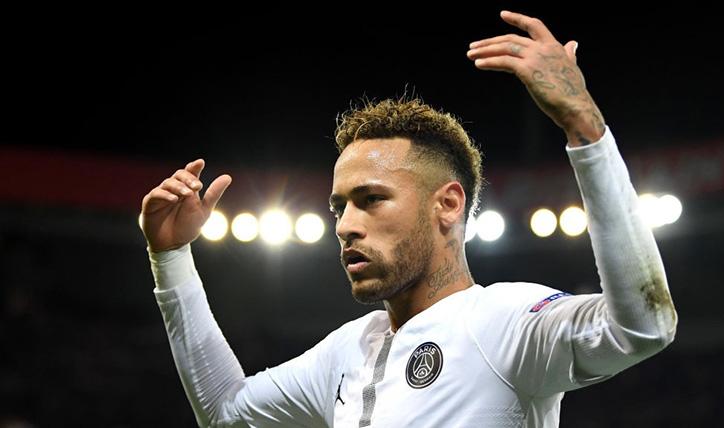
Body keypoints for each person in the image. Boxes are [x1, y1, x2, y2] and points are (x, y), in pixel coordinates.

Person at [141, 10, 677, 428]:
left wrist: (586, 131)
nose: (345, 225)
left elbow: (643, 326)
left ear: (448, 204)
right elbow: (226, 411)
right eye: (339, 206)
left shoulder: (504, 323)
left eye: (371, 199)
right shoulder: (347, 351)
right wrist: (170, 257)